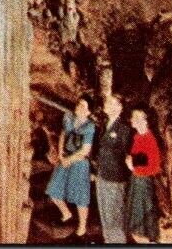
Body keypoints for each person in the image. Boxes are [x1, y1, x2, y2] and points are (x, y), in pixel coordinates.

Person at [45, 95, 96, 236]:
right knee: (53, 188)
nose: (79, 108)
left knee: (81, 196)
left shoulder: (90, 126)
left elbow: (85, 150)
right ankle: (66, 212)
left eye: (83, 107)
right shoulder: (69, 118)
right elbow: (63, 134)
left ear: (89, 112)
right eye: (79, 104)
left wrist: (69, 160)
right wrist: (61, 152)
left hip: (80, 162)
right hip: (65, 158)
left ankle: (82, 225)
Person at [95, 93, 131, 244]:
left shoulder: (124, 128)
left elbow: (128, 154)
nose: (106, 104)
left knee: (115, 219)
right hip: (102, 177)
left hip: (115, 180)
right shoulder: (104, 125)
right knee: (105, 217)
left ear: (119, 107)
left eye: (110, 102)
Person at [125, 107, 163, 243]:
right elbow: (139, 160)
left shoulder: (150, 139)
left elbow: (154, 167)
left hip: (143, 184)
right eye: (133, 117)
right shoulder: (138, 137)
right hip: (136, 182)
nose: (133, 120)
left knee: (142, 231)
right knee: (137, 230)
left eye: (138, 117)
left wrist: (133, 167)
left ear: (146, 121)